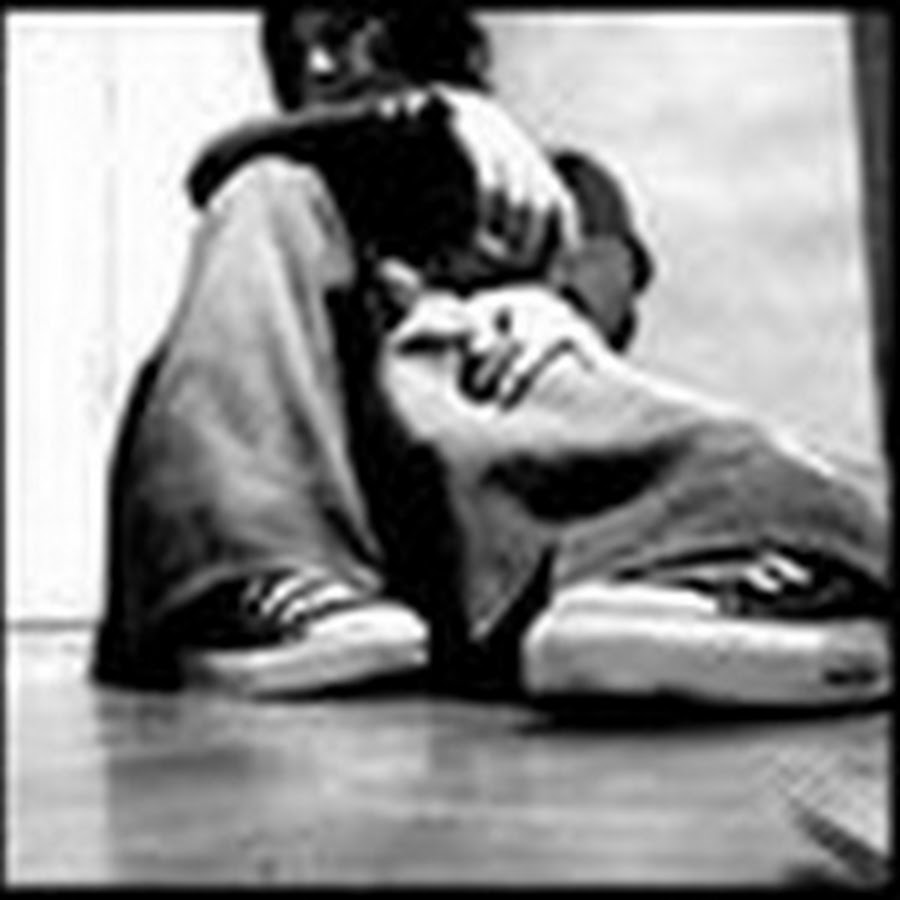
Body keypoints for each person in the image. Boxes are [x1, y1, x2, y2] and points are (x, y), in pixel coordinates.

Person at [93, 3, 890, 709]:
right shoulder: (292, 188)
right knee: (268, 194)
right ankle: (250, 584)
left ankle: (781, 555)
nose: (321, 65)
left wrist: (556, 305)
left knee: (483, 353)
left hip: (468, 485)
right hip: (313, 498)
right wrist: (434, 120)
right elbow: (221, 166)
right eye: (299, 49)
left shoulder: (562, 175)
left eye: (343, 31)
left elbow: (607, 266)